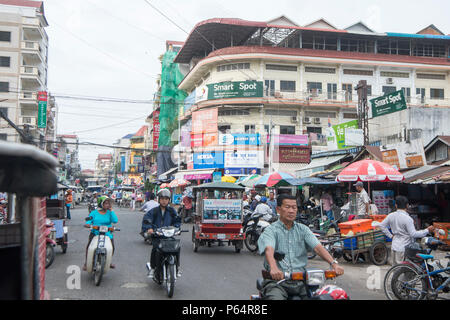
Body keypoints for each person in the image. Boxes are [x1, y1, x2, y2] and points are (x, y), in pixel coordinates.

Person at [257, 194, 344, 300]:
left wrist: (334, 264)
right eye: (287, 207)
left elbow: (318, 247)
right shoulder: (271, 230)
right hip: (277, 283)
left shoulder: (303, 230)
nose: (291, 211)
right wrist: (274, 268)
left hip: (301, 282)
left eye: (294, 207)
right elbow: (269, 249)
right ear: (278, 209)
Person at [378, 195, 435, 265]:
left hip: (394, 246)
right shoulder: (408, 219)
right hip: (404, 248)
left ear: (396, 205)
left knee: (395, 270)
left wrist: (390, 236)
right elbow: (413, 234)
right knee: (403, 271)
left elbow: (381, 225)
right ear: (407, 205)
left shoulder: (391, 215)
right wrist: (427, 230)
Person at [141, 189, 182, 278]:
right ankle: (152, 268)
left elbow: (177, 220)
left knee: (177, 247)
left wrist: (177, 228)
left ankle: (177, 267)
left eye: (166, 199)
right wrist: (149, 228)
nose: (164, 201)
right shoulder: (154, 211)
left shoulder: (172, 211)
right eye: (162, 198)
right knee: (155, 248)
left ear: (169, 200)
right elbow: (147, 220)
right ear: (159, 199)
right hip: (157, 236)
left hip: (169, 236)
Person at [83, 196, 118, 270]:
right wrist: (88, 224)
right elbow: (89, 221)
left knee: (112, 247)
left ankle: (109, 261)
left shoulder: (109, 213)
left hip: (107, 233)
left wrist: (112, 211)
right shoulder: (94, 213)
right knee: (89, 247)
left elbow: (115, 220)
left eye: (109, 203)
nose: (108, 205)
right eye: (106, 203)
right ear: (101, 204)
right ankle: (87, 263)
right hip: (95, 233)